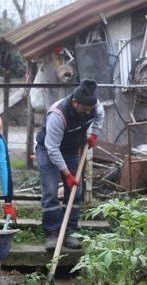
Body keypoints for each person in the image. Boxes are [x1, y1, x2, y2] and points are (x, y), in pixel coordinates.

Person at [36, 79, 104, 250]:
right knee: (51, 191)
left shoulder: (94, 106)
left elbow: (99, 116)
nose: (87, 112)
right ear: (75, 102)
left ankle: (69, 231)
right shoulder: (58, 115)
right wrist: (66, 174)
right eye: (84, 109)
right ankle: (52, 232)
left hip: (72, 150)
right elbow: (52, 148)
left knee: (75, 192)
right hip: (48, 150)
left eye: (90, 109)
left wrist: (94, 135)